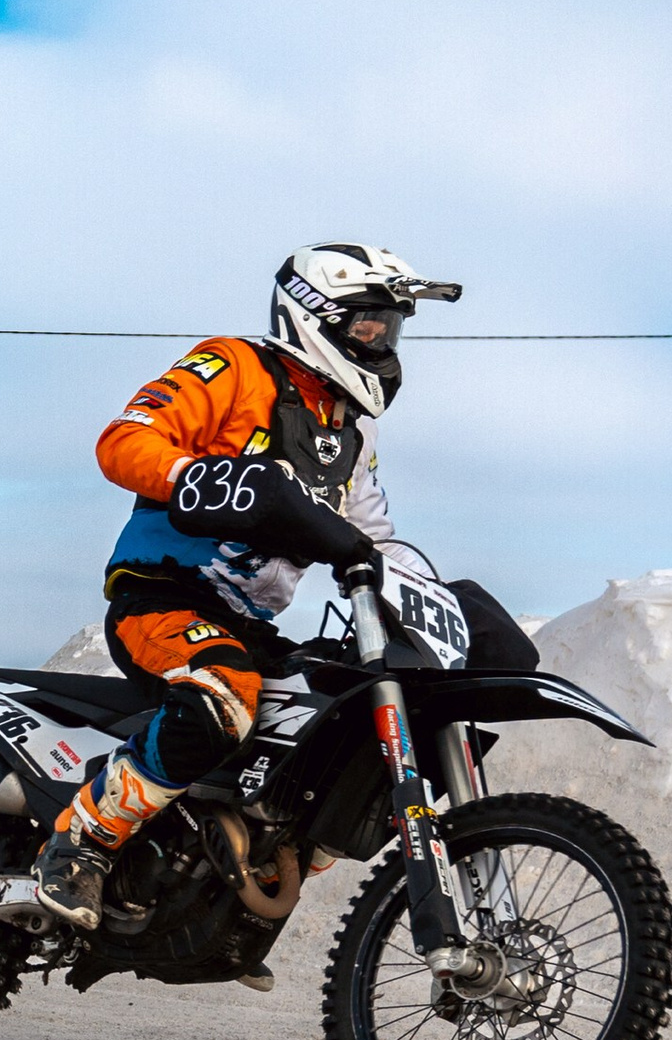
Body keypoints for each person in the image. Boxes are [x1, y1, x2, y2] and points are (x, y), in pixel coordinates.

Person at [32, 243, 460, 932]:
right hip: (163, 594)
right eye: (369, 324)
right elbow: (126, 440)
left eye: (391, 327)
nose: (382, 340)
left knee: (332, 718)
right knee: (223, 698)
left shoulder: (351, 429)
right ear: (316, 316)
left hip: (248, 622)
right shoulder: (234, 367)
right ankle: (79, 842)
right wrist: (192, 477)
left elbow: (374, 539)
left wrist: (429, 597)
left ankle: (224, 883)